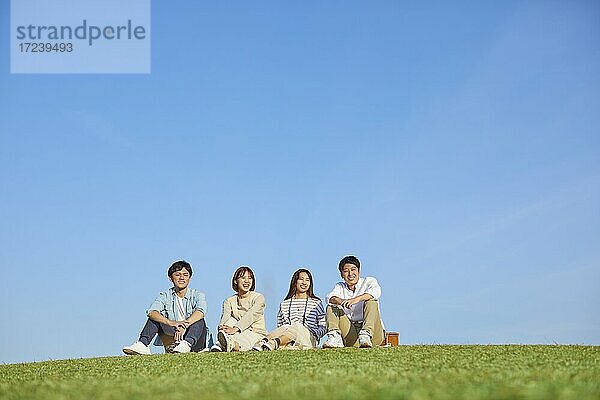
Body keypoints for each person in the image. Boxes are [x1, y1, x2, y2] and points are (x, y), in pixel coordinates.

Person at [122, 260, 208, 355]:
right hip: (173, 332)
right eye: (177, 275)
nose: (182, 278)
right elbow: (151, 312)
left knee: (199, 319)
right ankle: (142, 344)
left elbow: (201, 311)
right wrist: (171, 323)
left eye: (185, 275)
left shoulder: (198, 295)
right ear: (170, 278)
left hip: (193, 335)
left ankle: (186, 344)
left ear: (190, 278)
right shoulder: (165, 296)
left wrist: (184, 325)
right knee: (155, 317)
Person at [252, 268, 326, 351]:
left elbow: (323, 326)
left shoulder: (316, 303)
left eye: (307, 280)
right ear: (295, 282)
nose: (304, 283)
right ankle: (263, 342)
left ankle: (275, 342)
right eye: (301, 279)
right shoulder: (284, 304)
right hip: (288, 336)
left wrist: (315, 333)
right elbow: (280, 326)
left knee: (297, 326)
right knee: (287, 326)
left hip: (308, 337)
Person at [323, 255, 384, 348]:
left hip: (373, 333)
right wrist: (341, 301)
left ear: (359, 271)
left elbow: (376, 292)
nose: (350, 273)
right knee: (331, 306)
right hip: (352, 333)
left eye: (353, 269)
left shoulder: (369, 281)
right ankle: (334, 336)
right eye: (346, 271)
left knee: (371, 301)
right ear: (341, 275)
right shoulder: (340, 286)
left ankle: (366, 334)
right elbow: (329, 298)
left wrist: (356, 299)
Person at [213, 265, 267, 352]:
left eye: (249, 278)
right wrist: (221, 327)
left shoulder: (259, 298)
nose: (247, 281)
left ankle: (230, 345)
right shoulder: (229, 301)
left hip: (254, 332)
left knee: (242, 339)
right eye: (243, 278)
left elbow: (251, 315)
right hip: (235, 331)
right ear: (235, 281)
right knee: (230, 320)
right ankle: (222, 342)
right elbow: (225, 316)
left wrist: (236, 328)